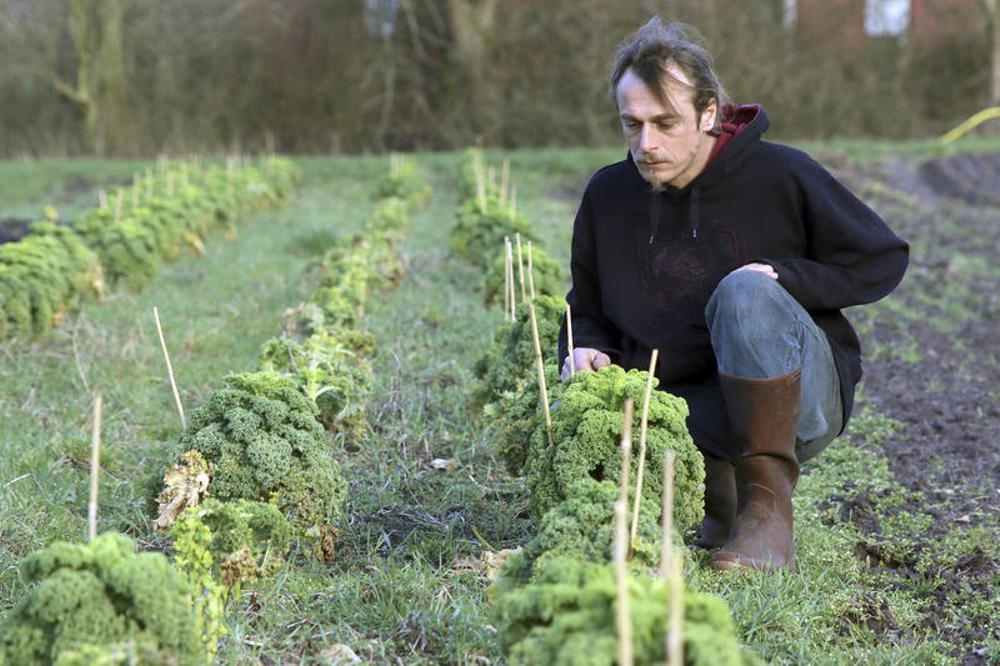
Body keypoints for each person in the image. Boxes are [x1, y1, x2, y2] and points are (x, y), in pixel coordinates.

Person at [557, 17, 908, 571]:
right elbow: (588, 305)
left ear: (709, 113)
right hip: (681, 407)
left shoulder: (781, 174)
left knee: (745, 291)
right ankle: (716, 500)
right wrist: (584, 346)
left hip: (800, 397)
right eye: (632, 124)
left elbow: (881, 256)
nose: (647, 144)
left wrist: (787, 278)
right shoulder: (608, 194)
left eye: (665, 123)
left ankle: (769, 513)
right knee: (602, 424)